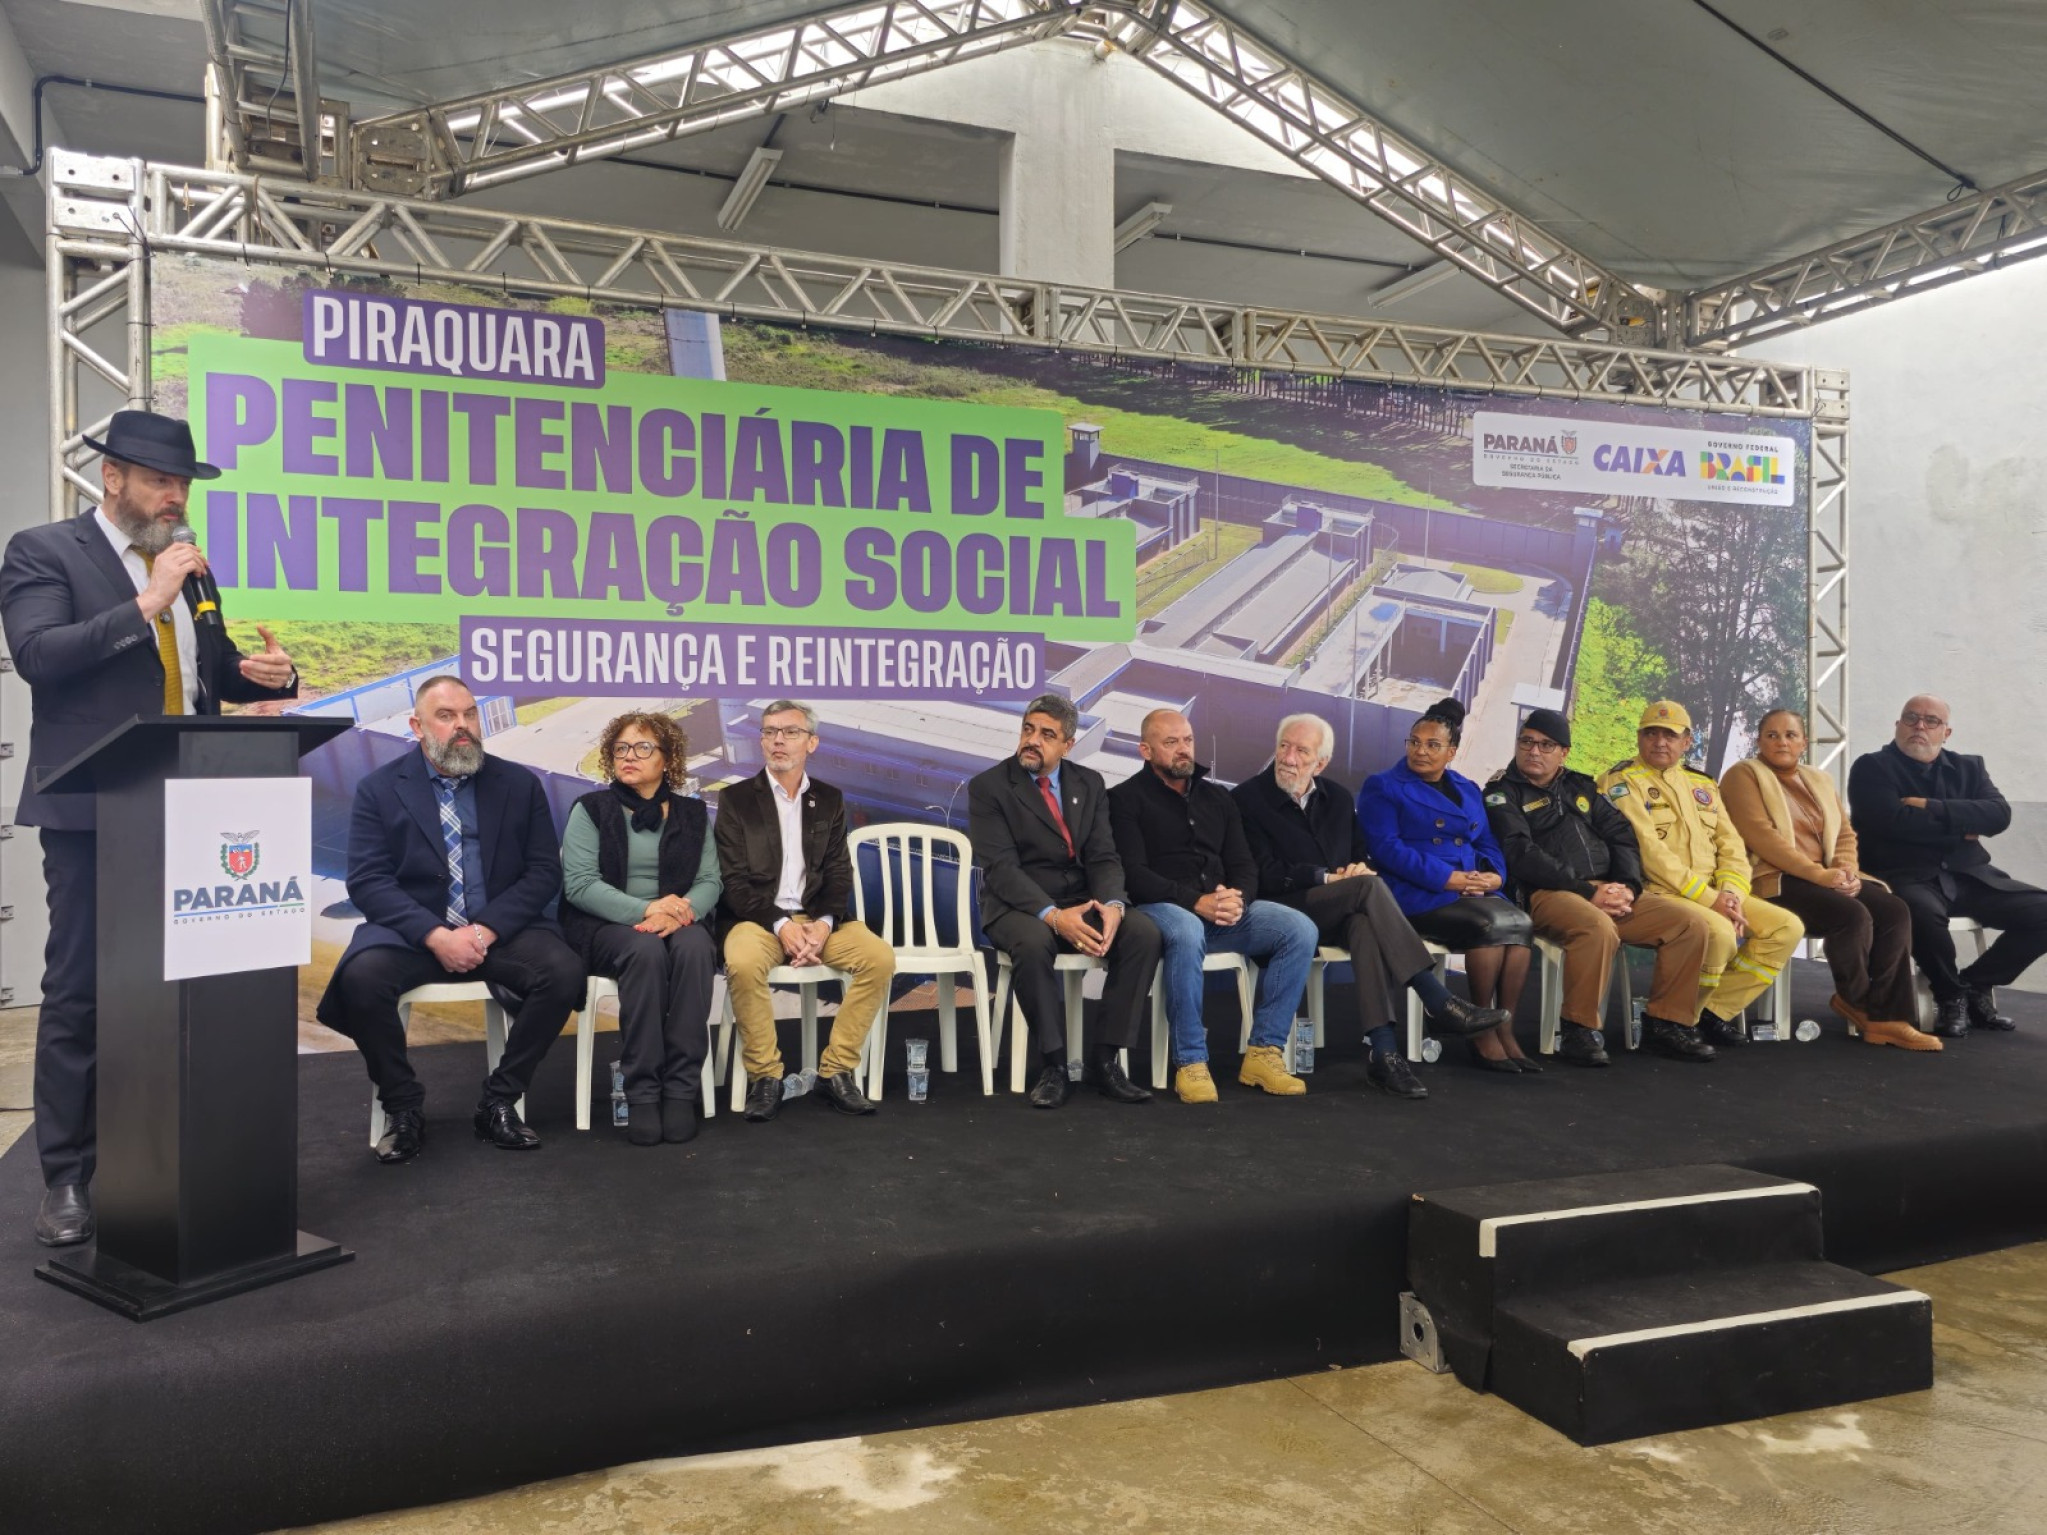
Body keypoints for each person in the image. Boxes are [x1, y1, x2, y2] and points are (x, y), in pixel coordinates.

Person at [0, 411, 298, 1246]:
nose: (176, 496)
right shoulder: (45, 550)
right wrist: (148, 599)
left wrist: (262, 672)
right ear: (114, 480)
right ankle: (67, 1176)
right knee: (83, 990)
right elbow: (40, 656)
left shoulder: (192, 568)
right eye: (161, 480)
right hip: (95, 813)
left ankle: (171, 1148)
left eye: (184, 483)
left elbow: (206, 672)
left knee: (185, 988)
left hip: (194, 813)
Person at [318, 677, 586, 1162]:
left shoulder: (518, 784)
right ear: (417, 726)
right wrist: (435, 935)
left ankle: (499, 1100)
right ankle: (403, 1108)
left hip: (500, 933)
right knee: (360, 979)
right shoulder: (379, 790)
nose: (462, 726)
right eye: (446, 716)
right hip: (415, 935)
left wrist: (484, 930)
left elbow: (544, 871)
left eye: (469, 713)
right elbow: (369, 880)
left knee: (563, 971)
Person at [1232, 712, 1513, 1100]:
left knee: (1365, 921)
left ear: (1321, 762)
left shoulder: (1338, 798)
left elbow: (1361, 853)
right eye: (1284, 746)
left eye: (1302, 750)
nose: (1289, 757)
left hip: (1341, 904)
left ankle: (1383, 1054)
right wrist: (1328, 878)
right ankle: (1437, 998)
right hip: (1282, 908)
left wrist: (1358, 867)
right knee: (1366, 891)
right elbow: (1260, 871)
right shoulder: (1246, 798)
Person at [1483, 708, 1714, 1067]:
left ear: (1564, 753)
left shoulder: (1581, 786)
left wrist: (1627, 888)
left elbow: (1622, 835)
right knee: (1596, 927)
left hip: (1608, 891)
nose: (1534, 752)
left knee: (1690, 924)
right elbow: (1520, 853)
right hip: (1548, 894)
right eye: (1527, 742)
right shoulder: (1502, 793)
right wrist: (1588, 892)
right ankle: (1579, 1030)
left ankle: (1667, 1024)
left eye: (1546, 745)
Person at [1108, 709, 1317, 1103]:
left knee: (1298, 928)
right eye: (1171, 743)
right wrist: (1196, 902)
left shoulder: (1218, 796)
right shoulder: (1123, 799)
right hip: (1161, 908)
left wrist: (1236, 900)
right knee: (1186, 929)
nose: (1183, 750)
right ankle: (1190, 1061)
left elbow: (1244, 863)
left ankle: (1263, 1053)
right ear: (1145, 750)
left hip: (1221, 911)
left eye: (1187, 740)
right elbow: (1133, 874)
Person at [968, 693, 1160, 1109]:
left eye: (1047, 735)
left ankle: (1106, 1060)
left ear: (1067, 744)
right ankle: (1054, 1065)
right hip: (1018, 905)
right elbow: (1001, 869)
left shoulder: (1088, 784)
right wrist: (1053, 916)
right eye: (1028, 730)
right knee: (1034, 943)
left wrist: (1112, 904)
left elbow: (1104, 855)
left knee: (1143, 933)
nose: (1032, 741)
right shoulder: (990, 788)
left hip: (1082, 899)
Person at [716, 700, 894, 1119]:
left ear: (811, 743)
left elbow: (837, 872)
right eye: (769, 731)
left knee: (878, 958)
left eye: (790, 732)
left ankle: (836, 1072)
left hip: (817, 919)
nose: (778, 740)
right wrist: (780, 925)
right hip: (757, 918)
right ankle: (766, 1077)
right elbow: (733, 880)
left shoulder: (829, 800)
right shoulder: (735, 800)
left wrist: (825, 925)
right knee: (741, 962)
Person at [1596, 700, 1803, 1061]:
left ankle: (1710, 1013)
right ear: (1639, 737)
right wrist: (1711, 901)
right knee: (1719, 933)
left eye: (1670, 735)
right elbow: (1649, 854)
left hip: (1715, 893)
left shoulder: (1701, 783)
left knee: (1785, 927)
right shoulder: (1620, 783)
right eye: (1651, 734)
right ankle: (1667, 1023)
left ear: (1687, 741)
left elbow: (1730, 844)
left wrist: (1732, 893)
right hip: (1661, 893)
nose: (1660, 742)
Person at [1722, 709, 1936, 1052]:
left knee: (1894, 910)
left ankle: (1889, 1016)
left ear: (1804, 742)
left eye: (1791, 735)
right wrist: (1824, 876)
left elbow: (1845, 833)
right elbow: (1761, 837)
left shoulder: (1818, 779)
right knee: (1851, 915)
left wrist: (1846, 871)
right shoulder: (1743, 775)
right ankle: (1858, 1002)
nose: (1782, 741)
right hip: (1775, 879)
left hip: (1826, 877)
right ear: (1758, 740)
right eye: (1772, 735)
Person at [560, 712, 724, 1144]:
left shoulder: (692, 813)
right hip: (607, 926)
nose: (629, 756)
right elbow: (579, 886)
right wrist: (647, 909)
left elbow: (710, 880)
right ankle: (644, 1093)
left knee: (695, 949)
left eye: (643, 747)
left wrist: (681, 913)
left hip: (677, 919)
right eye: (621, 748)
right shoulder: (590, 810)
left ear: (668, 759)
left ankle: (680, 1090)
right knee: (644, 952)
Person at [1848, 694, 2047, 1037]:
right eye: (1911, 718)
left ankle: (1973, 985)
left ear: (1947, 732)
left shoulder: (1971, 767)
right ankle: (1948, 994)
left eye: (1931, 721)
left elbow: (1999, 816)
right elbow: (1889, 822)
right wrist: (1961, 822)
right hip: (1906, 874)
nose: (1919, 727)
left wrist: (1929, 806)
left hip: (1970, 875)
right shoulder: (1871, 767)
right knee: (1918, 913)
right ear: (1898, 725)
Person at [1358, 697, 1537, 1074]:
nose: (1420, 751)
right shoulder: (1384, 786)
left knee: (1520, 923)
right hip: (1419, 891)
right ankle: (1480, 1034)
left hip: (1473, 888)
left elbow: (1486, 841)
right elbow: (1387, 849)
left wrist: (1494, 876)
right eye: (1414, 742)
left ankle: (1502, 1026)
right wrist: (1448, 878)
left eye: (1433, 745)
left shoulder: (1467, 788)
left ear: (1452, 751)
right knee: (1490, 927)